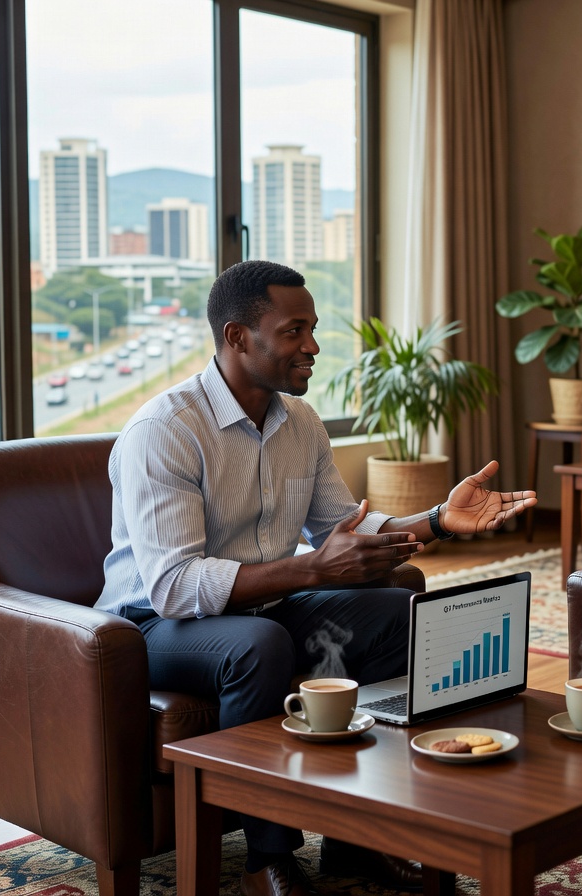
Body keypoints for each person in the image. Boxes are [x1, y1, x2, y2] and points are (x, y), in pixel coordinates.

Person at [95, 260, 536, 896]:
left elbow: (344, 525)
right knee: (258, 644)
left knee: (400, 613)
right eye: (294, 331)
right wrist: (311, 568)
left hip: (266, 608)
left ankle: (358, 840)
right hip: (153, 628)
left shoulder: (299, 423)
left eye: (313, 329)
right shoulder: (165, 430)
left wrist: (440, 520)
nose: (313, 346)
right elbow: (174, 586)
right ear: (238, 336)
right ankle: (266, 861)